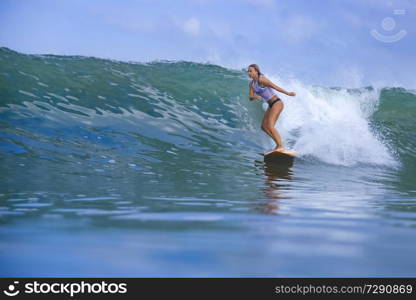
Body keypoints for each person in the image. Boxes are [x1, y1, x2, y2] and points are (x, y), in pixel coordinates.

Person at [247, 64, 296, 153]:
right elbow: (250, 97)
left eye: (251, 71)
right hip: (271, 105)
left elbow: (275, 87)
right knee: (263, 127)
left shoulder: (262, 79)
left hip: (277, 103)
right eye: (248, 71)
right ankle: (278, 144)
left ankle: (281, 146)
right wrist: (255, 97)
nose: (249, 73)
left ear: (256, 71)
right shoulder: (252, 84)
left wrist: (288, 93)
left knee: (270, 125)